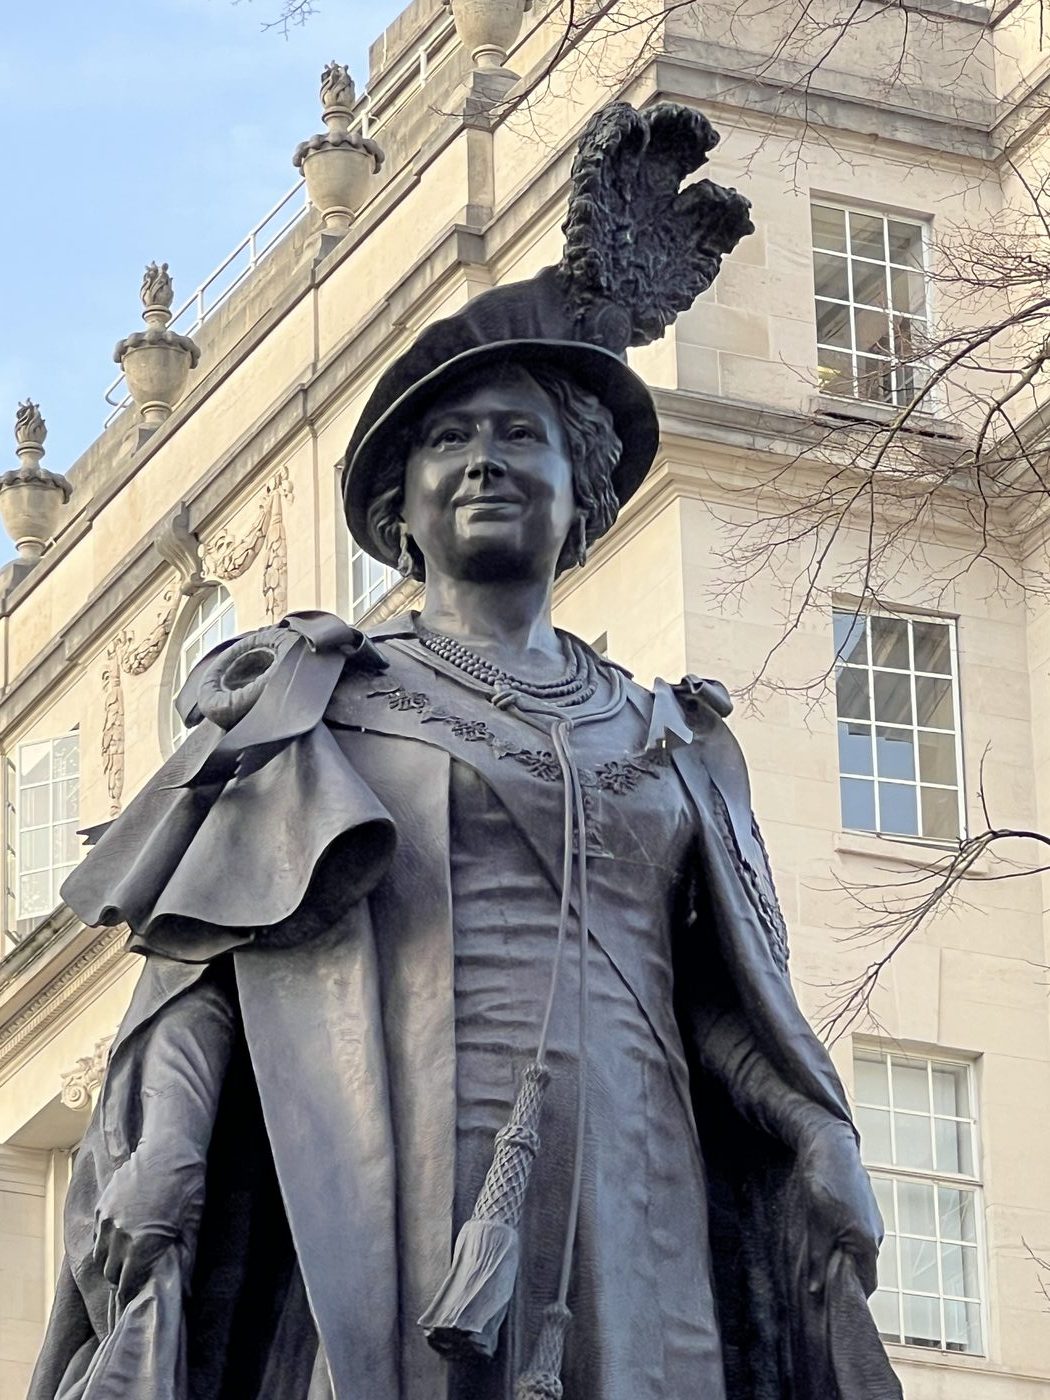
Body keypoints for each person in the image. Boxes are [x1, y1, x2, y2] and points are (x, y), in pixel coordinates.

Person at [28, 102, 901, 1400]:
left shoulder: (674, 739)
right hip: (401, 1163)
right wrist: (162, 1151)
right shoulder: (323, 698)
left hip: (638, 1178)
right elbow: (205, 968)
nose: (483, 461)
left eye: (519, 437)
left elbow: (727, 1006)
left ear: (581, 487)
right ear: (399, 509)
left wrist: (807, 1131)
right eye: (448, 440)